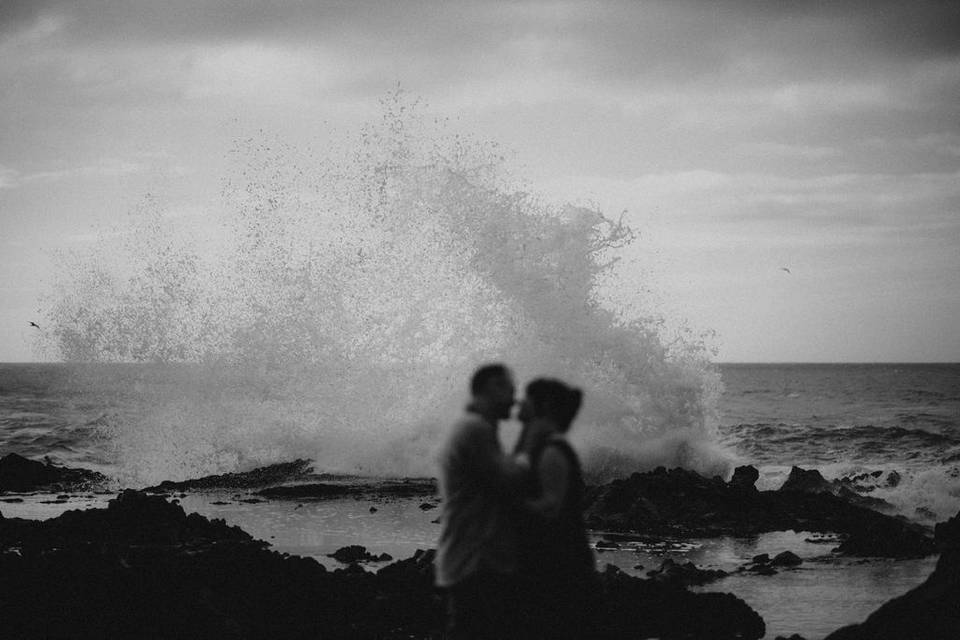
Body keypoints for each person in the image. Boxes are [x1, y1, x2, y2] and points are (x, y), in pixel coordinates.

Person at [435, 363, 530, 639]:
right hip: (476, 561)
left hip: (471, 557)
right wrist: (531, 447)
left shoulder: (472, 428)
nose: (514, 400)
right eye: (510, 391)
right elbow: (506, 482)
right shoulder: (474, 430)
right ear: (492, 388)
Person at [513, 378, 599, 640]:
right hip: (548, 563)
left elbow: (551, 506)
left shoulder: (553, 451)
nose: (520, 402)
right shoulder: (538, 445)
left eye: (526, 398)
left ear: (544, 405)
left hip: (563, 568)